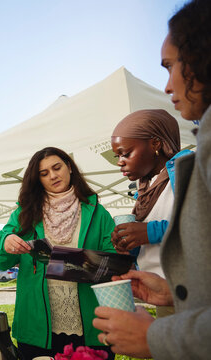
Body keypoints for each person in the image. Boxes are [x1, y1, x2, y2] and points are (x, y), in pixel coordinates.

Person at [93, 0, 211, 358]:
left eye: (170, 66)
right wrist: (170, 291)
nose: (167, 86)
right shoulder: (144, 190)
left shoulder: (185, 168)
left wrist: (158, 338)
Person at [0, 147, 116, 359]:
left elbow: (112, 265)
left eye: (57, 168)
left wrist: (59, 264)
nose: (53, 175)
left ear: (69, 167)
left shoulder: (98, 213)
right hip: (36, 327)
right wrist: (5, 242)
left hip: (91, 325)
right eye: (44, 173)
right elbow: (0, 261)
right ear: (38, 179)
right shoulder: (24, 213)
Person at [110, 109, 190, 279]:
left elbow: (203, 224)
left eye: (125, 153)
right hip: (162, 291)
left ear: (155, 144)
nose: (119, 162)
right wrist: (128, 243)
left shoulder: (188, 168)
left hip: (196, 290)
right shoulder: (145, 190)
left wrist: (150, 231)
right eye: (117, 156)